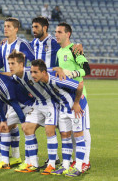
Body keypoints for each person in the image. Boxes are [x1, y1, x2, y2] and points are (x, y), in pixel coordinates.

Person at [6, 51, 64, 174]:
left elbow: (47, 70)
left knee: (50, 130)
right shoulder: (16, 77)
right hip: (37, 104)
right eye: (9, 63)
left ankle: (52, 164)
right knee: (27, 128)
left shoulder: (30, 71)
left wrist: (58, 68)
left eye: (13, 63)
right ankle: (33, 163)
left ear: (21, 64)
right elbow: (8, 75)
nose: (10, 66)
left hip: (49, 103)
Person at [30, 59, 87, 177]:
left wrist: (76, 103)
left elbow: (79, 85)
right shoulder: (42, 79)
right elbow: (51, 68)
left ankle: (78, 167)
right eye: (32, 72)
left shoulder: (58, 79)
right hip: (63, 108)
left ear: (43, 73)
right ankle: (65, 165)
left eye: (35, 72)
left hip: (76, 107)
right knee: (65, 136)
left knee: (78, 136)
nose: (32, 75)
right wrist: (57, 68)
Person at [0, 59, 35, 169]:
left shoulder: (4, 83)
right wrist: (3, 119)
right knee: (3, 127)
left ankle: (30, 161)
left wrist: (23, 121)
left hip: (28, 105)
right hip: (15, 107)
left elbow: (14, 103)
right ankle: (4, 162)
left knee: (27, 130)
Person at [54, 22, 91, 173]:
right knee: (69, 133)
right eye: (55, 31)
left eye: (59, 32)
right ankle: (73, 162)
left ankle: (85, 162)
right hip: (66, 97)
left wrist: (73, 74)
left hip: (79, 95)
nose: (56, 34)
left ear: (67, 34)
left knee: (83, 131)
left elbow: (87, 69)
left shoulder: (75, 49)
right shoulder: (58, 52)